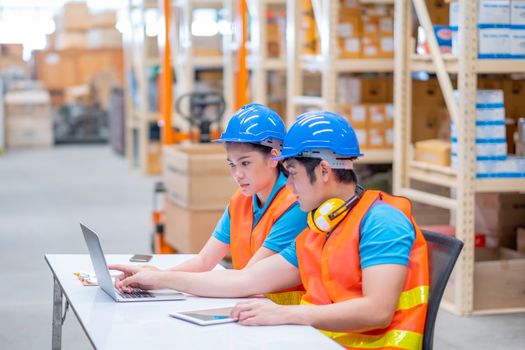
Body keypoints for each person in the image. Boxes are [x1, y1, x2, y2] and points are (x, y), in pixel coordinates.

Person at [113, 111, 429, 350]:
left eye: (291, 173)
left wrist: (288, 315)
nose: (288, 184)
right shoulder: (321, 226)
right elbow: (249, 279)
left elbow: (377, 311)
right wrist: (158, 279)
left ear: (323, 170)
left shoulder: (382, 222)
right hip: (320, 339)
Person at [111, 103, 307, 304]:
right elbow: (204, 261)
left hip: (281, 313)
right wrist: (153, 277)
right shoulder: (241, 200)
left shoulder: (294, 206)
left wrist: (162, 279)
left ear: (274, 157)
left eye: (246, 163)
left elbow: (246, 279)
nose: (237, 175)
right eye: (232, 164)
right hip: (249, 303)